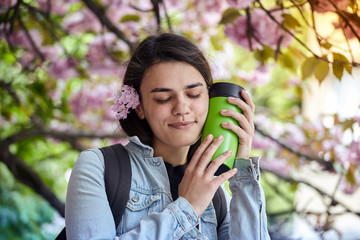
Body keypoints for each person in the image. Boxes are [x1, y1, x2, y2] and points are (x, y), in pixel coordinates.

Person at [65, 32, 271, 239]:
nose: (182, 108)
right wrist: (188, 207)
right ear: (139, 108)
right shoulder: (98, 166)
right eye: (163, 98)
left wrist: (243, 173)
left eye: (194, 94)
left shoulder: (216, 194)